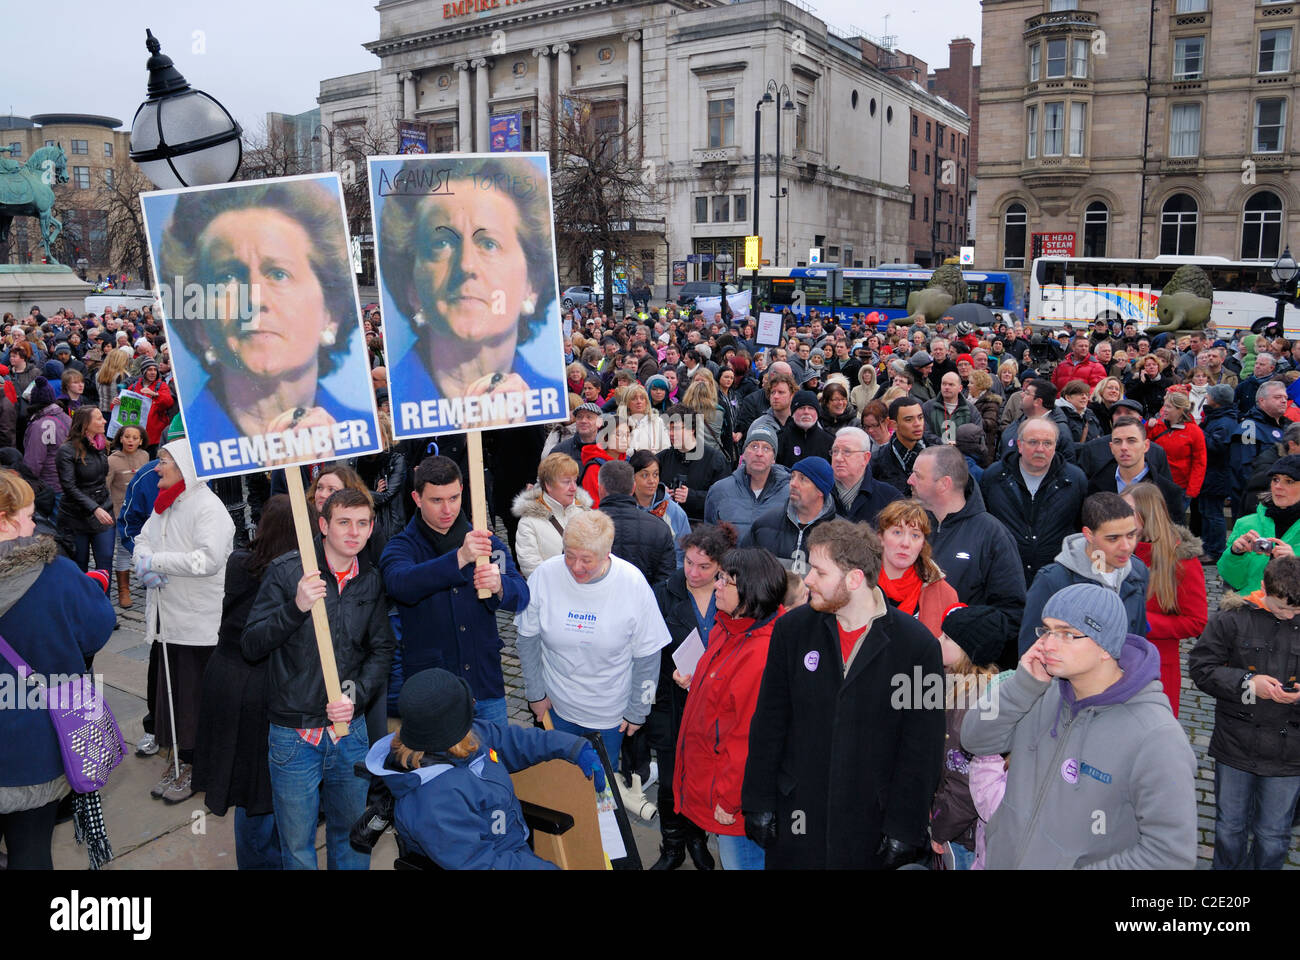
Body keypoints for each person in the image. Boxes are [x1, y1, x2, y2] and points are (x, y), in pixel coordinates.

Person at [741, 519, 945, 868]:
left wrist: (905, 828)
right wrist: (758, 801)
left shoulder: (918, 647)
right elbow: (770, 722)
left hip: (870, 831)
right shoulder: (792, 630)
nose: (806, 580)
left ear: (853, 579)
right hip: (797, 820)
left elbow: (922, 749)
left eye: (819, 572)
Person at [962, 583, 1197, 868]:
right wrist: (1023, 686)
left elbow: (1170, 856)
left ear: (1105, 648)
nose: (1047, 644)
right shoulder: (1039, 691)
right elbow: (975, 740)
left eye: (1067, 634)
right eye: (1047, 630)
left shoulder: (1156, 736)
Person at [157, 179, 371, 460]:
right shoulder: (183, 446)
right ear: (200, 325)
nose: (254, 300)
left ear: (331, 313)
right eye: (227, 277)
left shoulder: (366, 432)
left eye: (279, 274)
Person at [241, 487, 395, 870]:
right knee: (297, 848)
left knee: (352, 838)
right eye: (344, 522)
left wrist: (354, 697)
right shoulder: (288, 572)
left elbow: (381, 650)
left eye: (362, 523)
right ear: (324, 525)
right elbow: (252, 644)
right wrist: (296, 607)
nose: (353, 532)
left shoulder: (370, 580)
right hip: (295, 736)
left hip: (350, 733)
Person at [377, 156, 564, 431]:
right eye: (441, 243)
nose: (466, 265)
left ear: (532, 284)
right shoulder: (385, 410)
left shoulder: (555, 404)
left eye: (489, 243)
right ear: (411, 285)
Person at [364, 668, 605, 870]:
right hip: (494, 860)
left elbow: (514, 741)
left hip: (510, 846)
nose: (474, 704)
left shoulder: (462, 736)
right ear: (449, 728)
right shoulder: (434, 800)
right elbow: (481, 864)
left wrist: (573, 747)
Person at [0, 470, 116, 869]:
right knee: (30, 851)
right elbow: (96, 632)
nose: (35, 525)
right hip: (34, 746)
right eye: (29, 516)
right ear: (5, 519)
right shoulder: (57, 574)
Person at [515, 510, 672, 769]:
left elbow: (648, 654)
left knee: (601, 787)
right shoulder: (545, 575)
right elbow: (527, 638)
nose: (576, 567)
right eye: (570, 556)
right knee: (559, 778)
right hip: (557, 705)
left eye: (586, 560)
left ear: (606, 553)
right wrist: (535, 694)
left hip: (608, 715)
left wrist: (638, 710)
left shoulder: (632, 584)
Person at [381, 455, 528, 722]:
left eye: (453, 498)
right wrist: (460, 558)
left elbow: (521, 595)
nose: (447, 509)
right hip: (433, 692)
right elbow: (400, 584)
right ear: (416, 498)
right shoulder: (401, 546)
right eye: (436, 500)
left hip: (485, 685)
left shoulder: (487, 542)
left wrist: (500, 586)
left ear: (462, 492)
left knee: (494, 760)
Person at [192, 495, 297, 869]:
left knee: (240, 785)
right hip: (260, 687)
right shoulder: (294, 576)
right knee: (260, 792)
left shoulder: (240, 563)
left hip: (224, 677)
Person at [134, 439, 237, 803]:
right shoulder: (166, 505)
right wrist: (144, 562)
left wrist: (157, 563)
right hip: (167, 622)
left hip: (197, 626)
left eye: (163, 461)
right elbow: (142, 540)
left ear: (184, 467)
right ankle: (179, 758)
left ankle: (195, 766)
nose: (157, 467)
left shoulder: (209, 508)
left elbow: (208, 560)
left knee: (195, 701)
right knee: (174, 699)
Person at [673, 546, 786, 870]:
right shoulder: (730, 627)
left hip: (733, 805)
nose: (717, 585)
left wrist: (730, 800)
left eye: (726, 581)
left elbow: (747, 739)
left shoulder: (759, 654)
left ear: (750, 592)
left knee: (742, 862)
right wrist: (700, 681)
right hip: (717, 786)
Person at [1189, 555, 1300, 870]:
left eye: (1296, 610)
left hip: (1290, 753)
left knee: (1274, 836)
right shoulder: (1232, 617)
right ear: (1264, 587)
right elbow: (1201, 667)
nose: (1289, 615)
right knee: (1229, 828)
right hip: (1236, 744)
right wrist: (1248, 683)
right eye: (1281, 607)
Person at [647, 524, 738, 871]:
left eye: (704, 567)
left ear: (719, 566)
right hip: (672, 700)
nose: (694, 573)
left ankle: (697, 839)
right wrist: (670, 673)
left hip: (713, 705)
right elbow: (648, 649)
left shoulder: (730, 594)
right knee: (670, 780)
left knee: (702, 778)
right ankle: (672, 847)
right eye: (688, 563)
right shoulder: (663, 594)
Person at [908, 445, 1027, 666]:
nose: (909, 481)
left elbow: (1012, 613)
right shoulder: (912, 528)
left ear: (944, 484)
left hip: (962, 673)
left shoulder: (992, 535)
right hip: (910, 661)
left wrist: (965, 642)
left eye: (917, 475)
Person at [1018, 492, 1150, 656]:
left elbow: (1137, 640)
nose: (1126, 546)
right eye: (1113, 538)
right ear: (1089, 535)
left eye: (1131, 535)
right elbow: (1032, 650)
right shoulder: (1052, 580)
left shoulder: (1138, 571)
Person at [928, 605, 1005, 870]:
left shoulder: (971, 706)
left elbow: (963, 785)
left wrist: (940, 828)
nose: (938, 640)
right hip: (959, 830)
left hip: (963, 838)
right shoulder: (955, 688)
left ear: (966, 650)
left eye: (947, 637)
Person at [1121, 482, 1206, 719]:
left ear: (1149, 515)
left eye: (1128, 511)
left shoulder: (1182, 561)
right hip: (1113, 664)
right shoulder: (1114, 552)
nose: (1120, 516)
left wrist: (1143, 622)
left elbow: (1196, 621)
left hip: (1156, 668)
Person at [980, 417, 1088, 585]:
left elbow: (1081, 528)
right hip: (1004, 575)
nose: (1040, 449)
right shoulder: (993, 477)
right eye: (1033, 442)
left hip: (1056, 577)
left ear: (1055, 446)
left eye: (1047, 443)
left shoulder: (1075, 480)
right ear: (1019, 444)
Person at [875, 498, 960, 638]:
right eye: (897, 532)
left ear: (922, 544)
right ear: (881, 537)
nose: (905, 543)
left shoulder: (944, 593)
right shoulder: (857, 583)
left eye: (915, 535)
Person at [1219, 454, 1300, 596]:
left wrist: (1295, 564)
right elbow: (1233, 581)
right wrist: (1236, 553)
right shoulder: (1247, 524)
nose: (1278, 486)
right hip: (1250, 609)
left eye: (1289, 481)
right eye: (1275, 479)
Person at [1086, 416, 1187, 524]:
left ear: (1146, 446)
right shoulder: (1095, 486)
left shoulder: (1169, 492)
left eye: (1131, 441)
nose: (1124, 447)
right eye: (1118, 441)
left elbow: (1175, 535)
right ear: (1111, 448)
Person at [743, 456, 838, 570]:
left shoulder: (841, 535)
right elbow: (741, 567)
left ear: (820, 491)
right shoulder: (765, 524)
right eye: (792, 477)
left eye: (802, 479)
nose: (793, 483)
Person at [702, 421, 790, 541]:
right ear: (744, 453)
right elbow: (709, 538)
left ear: (773, 458)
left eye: (766, 448)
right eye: (754, 446)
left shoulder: (789, 494)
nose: (759, 453)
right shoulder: (720, 490)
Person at [511, 451, 593, 579]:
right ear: (548, 485)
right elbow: (531, 569)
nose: (573, 488)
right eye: (566, 482)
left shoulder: (586, 513)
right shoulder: (528, 522)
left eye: (574, 481)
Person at [596, 458, 677, 586]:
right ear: (633, 488)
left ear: (600, 489)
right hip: (644, 602)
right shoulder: (659, 528)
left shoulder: (583, 526)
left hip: (595, 603)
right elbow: (665, 582)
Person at [55, 407, 115, 574]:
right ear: (85, 424)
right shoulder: (66, 450)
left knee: (106, 562)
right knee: (79, 565)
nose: (104, 421)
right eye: (99, 418)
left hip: (103, 510)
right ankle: (82, 600)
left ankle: (104, 600)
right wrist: (94, 508)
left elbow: (101, 480)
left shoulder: (101, 444)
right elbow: (68, 486)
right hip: (75, 517)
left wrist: (102, 505)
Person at [656, 404, 730, 523]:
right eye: (668, 429)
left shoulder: (715, 459)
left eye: (675, 428)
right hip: (666, 526)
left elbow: (725, 498)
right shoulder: (661, 458)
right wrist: (659, 492)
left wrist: (692, 497)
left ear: (692, 429)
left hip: (701, 528)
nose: (670, 433)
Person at [105, 424, 148, 607]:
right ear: (120, 439)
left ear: (141, 441)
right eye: (127, 437)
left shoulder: (145, 457)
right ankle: (124, 590)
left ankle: (148, 578)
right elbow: (106, 488)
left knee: (147, 546)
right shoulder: (112, 460)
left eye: (135, 437)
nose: (130, 440)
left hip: (142, 513)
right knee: (123, 550)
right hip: (121, 514)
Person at [1147, 388, 1207, 513]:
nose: (1164, 410)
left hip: (1180, 488)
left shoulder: (1194, 432)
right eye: (1164, 406)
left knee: (1173, 525)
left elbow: (1199, 462)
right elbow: (1143, 446)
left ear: (1180, 410)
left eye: (1168, 407)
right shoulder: (1157, 426)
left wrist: (1192, 489)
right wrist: (1147, 427)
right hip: (1156, 485)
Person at [827, 426, 901, 524]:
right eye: (835, 451)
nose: (838, 458)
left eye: (847, 452)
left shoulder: (889, 498)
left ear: (866, 458)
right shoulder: (819, 494)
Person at [871, 396, 937, 491]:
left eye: (920, 417)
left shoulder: (937, 454)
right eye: (909, 419)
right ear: (893, 424)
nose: (917, 424)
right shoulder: (878, 461)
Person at [22, 378, 69, 500]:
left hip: (50, 485)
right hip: (68, 482)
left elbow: (34, 461)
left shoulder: (39, 425)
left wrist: (27, 485)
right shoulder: (66, 417)